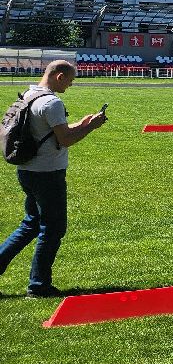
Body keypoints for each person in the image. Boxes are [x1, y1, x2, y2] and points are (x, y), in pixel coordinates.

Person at [0, 60, 108, 297]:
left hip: (27, 170)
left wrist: (82, 123)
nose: (71, 85)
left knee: (31, 224)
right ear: (59, 77)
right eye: (70, 80)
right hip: (47, 173)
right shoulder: (52, 102)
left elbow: (52, 131)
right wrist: (92, 127)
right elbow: (65, 139)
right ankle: (39, 285)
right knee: (53, 228)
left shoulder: (30, 95)